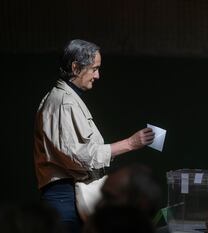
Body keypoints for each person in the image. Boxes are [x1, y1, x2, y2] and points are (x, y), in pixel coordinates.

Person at [33, 39, 155, 233]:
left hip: (68, 197)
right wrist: (130, 143)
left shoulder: (67, 99)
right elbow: (78, 156)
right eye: (94, 68)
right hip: (65, 199)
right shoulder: (63, 102)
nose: (97, 75)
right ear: (75, 67)